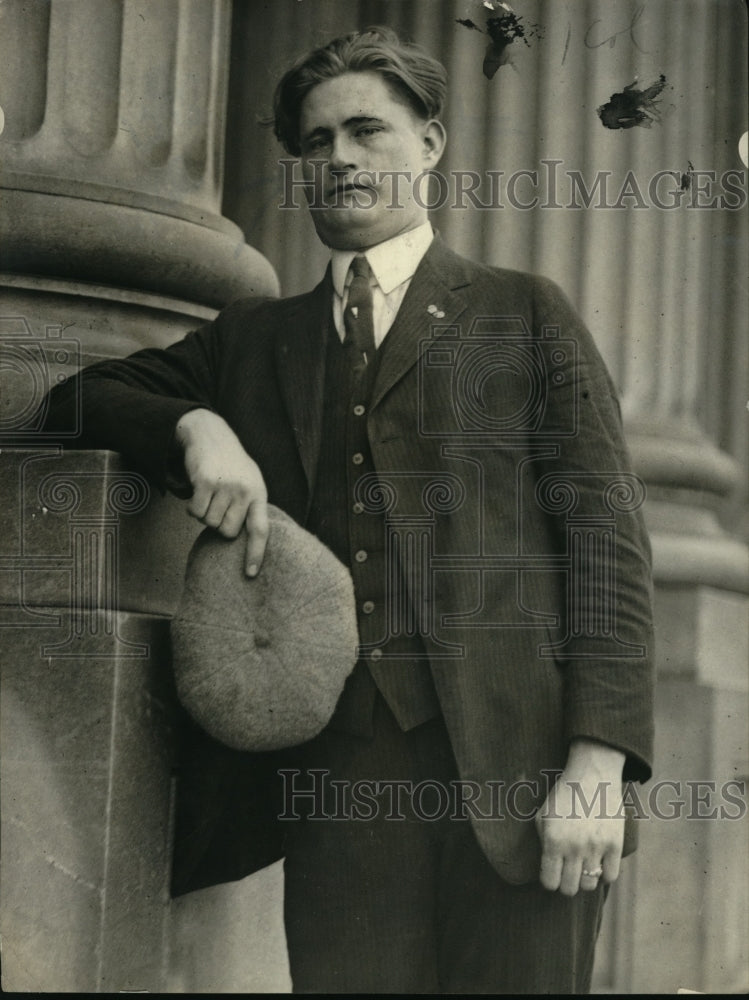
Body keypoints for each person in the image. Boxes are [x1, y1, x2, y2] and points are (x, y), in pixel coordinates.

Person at [42, 27, 655, 994]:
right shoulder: (255, 338)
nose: (340, 160)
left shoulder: (523, 313)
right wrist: (196, 424)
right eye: (316, 143)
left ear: (431, 144)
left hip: (524, 772)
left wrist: (597, 763)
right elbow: (75, 397)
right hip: (339, 788)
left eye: (367, 131)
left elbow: (607, 548)